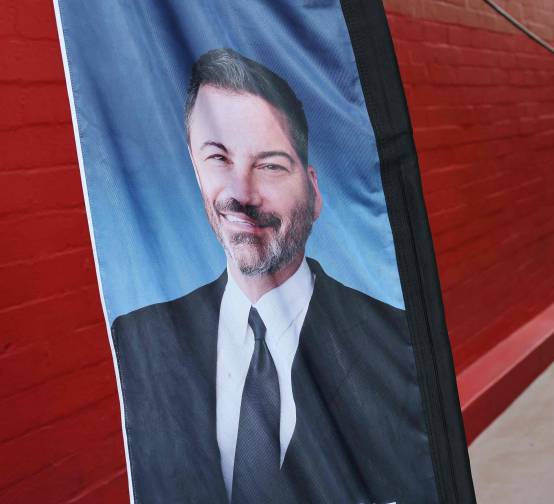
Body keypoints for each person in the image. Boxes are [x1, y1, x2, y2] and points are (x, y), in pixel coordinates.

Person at [112, 48, 436, 503]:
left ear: (314, 190)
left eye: (269, 165)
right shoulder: (140, 338)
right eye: (218, 158)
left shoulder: (394, 339)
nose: (241, 195)